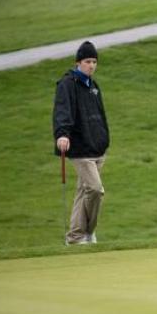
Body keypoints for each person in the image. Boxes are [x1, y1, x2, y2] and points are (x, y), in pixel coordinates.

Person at [52, 41, 110, 245]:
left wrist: (104, 139)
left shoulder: (93, 86)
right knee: (95, 190)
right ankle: (89, 231)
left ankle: (76, 236)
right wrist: (62, 134)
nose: (92, 65)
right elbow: (62, 111)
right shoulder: (67, 84)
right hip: (80, 149)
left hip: (98, 148)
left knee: (83, 191)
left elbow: (100, 116)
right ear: (78, 62)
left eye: (94, 61)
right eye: (87, 61)